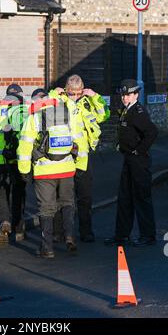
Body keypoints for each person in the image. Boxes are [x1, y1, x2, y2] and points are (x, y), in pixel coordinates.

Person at [17, 94, 81, 259]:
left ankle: (48, 248)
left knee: (46, 208)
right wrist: (78, 162)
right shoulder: (66, 113)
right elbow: (77, 139)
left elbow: (24, 145)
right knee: (67, 203)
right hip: (67, 167)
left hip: (45, 171)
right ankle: (69, 236)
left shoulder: (35, 117)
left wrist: (24, 170)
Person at [50, 75, 110, 242]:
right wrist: (55, 93)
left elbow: (104, 115)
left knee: (85, 198)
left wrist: (95, 97)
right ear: (66, 90)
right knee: (61, 197)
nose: (75, 97)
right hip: (63, 158)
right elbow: (43, 107)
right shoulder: (59, 100)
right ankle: (58, 232)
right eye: (71, 94)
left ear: (82, 91)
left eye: (78, 93)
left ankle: (86, 231)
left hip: (82, 159)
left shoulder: (87, 102)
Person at [104, 79, 158, 247]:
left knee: (142, 198)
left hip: (139, 161)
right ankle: (122, 235)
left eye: (128, 95)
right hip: (128, 159)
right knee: (124, 198)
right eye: (123, 94)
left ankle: (148, 236)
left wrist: (138, 150)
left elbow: (152, 132)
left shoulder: (138, 112)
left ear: (136, 94)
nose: (124, 98)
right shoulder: (127, 110)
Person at [0, 84, 28, 247]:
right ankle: (18, 229)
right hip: (18, 160)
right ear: (20, 96)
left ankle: (4, 221)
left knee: (2, 192)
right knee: (19, 193)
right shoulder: (24, 112)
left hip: (0, 161)